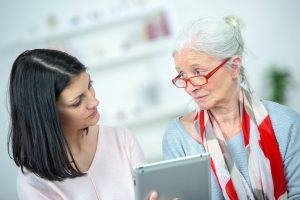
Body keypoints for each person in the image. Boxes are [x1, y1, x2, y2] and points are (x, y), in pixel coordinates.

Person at [162, 15, 300, 200]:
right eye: (182, 74)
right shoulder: (178, 137)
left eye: (198, 72)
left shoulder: (286, 123)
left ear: (234, 67)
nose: (189, 86)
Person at [8, 49, 157, 200]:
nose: (94, 102)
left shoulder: (122, 140)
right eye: (77, 101)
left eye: (89, 85)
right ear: (47, 115)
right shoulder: (33, 184)